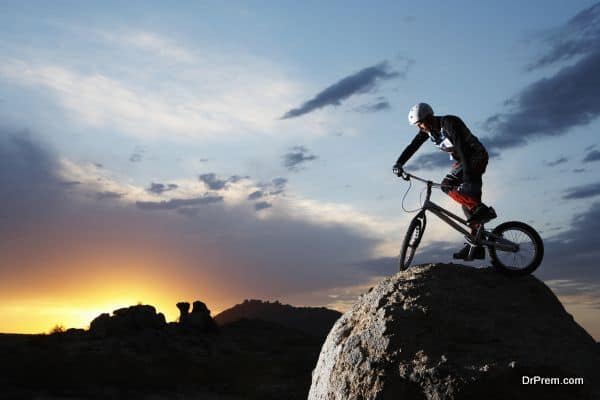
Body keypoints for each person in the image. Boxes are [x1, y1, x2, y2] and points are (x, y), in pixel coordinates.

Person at [393, 102, 496, 260]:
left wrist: (467, 176)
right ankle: (477, 246)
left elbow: (461, 147)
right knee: (468, 202)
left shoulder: (449, 122)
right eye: (417, 126)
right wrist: (399, 163)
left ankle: (481, 210)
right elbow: (412, 146)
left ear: (429, 118)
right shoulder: (429, 132)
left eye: (420, 124)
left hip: (474, 156)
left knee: (448, 186)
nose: (419, 128)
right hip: (463, 161)